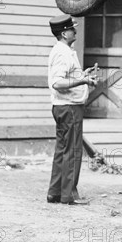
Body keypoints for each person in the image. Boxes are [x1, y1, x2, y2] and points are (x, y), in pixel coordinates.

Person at [47, 14, 97, 205]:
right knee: (73, 151)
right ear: (64, 33)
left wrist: (82, 75)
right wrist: (83, 80)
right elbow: (58, 83)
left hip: (63, 107)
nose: (75, 31)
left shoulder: (64, 50)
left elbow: (65, 77)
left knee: (62, 150)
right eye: (71, 29)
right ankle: (68, 195)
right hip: (69, 108)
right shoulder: (63, 52)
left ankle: (55, 192)